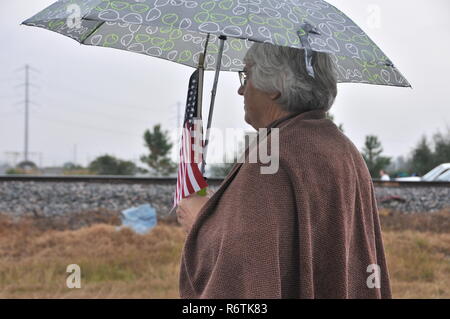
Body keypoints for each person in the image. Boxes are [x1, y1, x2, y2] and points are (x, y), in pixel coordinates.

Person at [176, 42, 391, 299]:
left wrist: (199, 221)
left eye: (247, 74)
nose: (241, 89)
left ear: (277, 83)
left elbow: (243, 266)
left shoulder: (271, 157)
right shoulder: (345, 150)